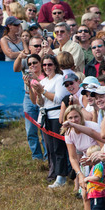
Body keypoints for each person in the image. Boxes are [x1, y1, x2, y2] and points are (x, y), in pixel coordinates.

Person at [60, 105, 105, 210]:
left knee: (102, 194)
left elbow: (104, 145)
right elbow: (73, 157)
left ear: (81, 116)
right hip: (86, 163)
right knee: (86, 194)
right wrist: (79, 174)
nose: (74, 120)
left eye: (76, 117)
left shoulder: (92, 126)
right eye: (70, 118)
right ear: (66, 119)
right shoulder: (69, 133)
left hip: (100, 161)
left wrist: (99, 161)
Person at [29, 54, 70, 186]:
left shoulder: (60, 79)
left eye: (50, 64)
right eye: (45, 65)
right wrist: (37, 92)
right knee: (50, 148)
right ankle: (54, 173)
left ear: (55, 65)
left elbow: (58, 98)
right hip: (45, 117)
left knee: (59, 147)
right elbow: (39, 103)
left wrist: (43, 91)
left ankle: (61, 176)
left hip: (56, 116)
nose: (47, 67)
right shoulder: (44, 81)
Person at [16, 53, 47, 161]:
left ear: (40, 63)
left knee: (44, 131)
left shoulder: (46, 74)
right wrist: (29, 85)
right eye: (29, 64)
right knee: (30, 130)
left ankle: (48, 157)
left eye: (35, 63)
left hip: (44, 101)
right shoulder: (29, 75)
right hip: (30, 99)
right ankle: (37, 157)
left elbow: (46, 88)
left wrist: (37, 79)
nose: (32, 65)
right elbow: (32, 98)